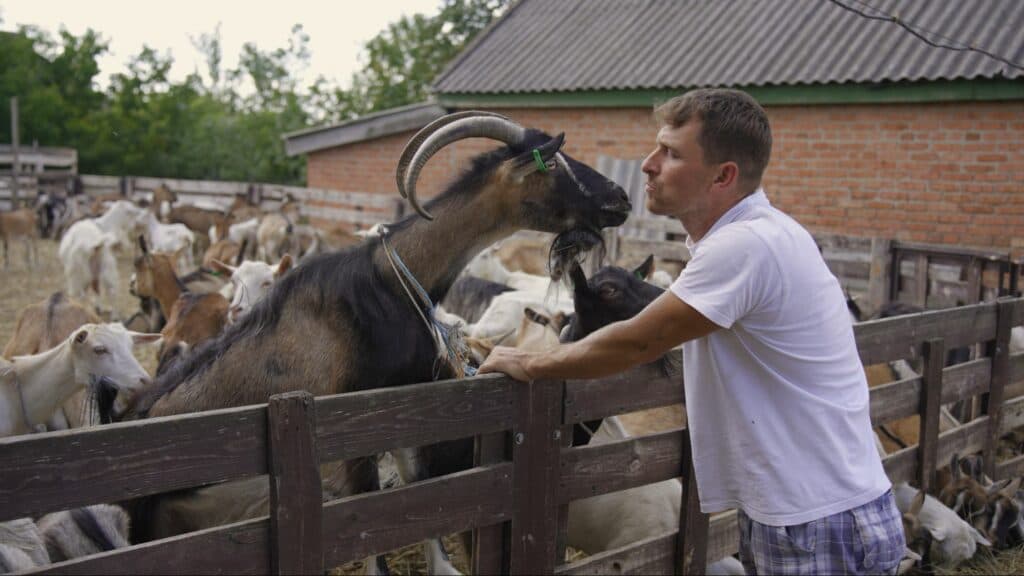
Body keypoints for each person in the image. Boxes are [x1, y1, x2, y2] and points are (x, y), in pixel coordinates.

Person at [478, 88, 905, 575]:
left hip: (817, 524)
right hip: (819, 512)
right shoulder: (767, 232)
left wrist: (527, 362)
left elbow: (638, 341)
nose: (648, 164)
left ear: (723, 176)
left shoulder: (745, 246)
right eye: (657, 146)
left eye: (672, 153)